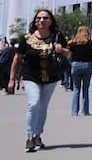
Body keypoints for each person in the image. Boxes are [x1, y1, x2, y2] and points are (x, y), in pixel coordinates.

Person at [8, 9, 70, 152]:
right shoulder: (27, 38)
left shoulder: (57, 36)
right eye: (39, 18)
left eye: (45, 18)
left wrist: (61, 49)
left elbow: (69, 54)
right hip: (31, 77)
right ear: (35, 21)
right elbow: (17, 59)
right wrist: (12, 79)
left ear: (51, 21)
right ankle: (30, 136)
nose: (41, 20)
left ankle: (38, 135)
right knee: (34, 103)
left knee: (42, 107)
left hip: (51, 77)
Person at [68, 25, 92, 116]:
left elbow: (69, 56)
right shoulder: (90, 44)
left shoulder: (73, 44)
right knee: (85, 88)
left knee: (76, 89)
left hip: (75, 65)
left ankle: (74, 111)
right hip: (87, 65)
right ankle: (85, 111)